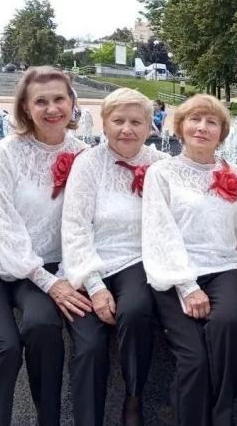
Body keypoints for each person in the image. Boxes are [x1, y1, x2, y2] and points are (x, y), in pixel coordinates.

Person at [0, 66, 93, 426]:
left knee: (43, 328)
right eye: (41, 101)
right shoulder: (5, 152)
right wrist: (51, 284)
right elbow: (4, 224)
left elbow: (83, 222)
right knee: (4, 346)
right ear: (26, 108)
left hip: (39, 266)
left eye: (59, 99)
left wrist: (66, 274)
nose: (52, 108)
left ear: (72, 102)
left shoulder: (84, 155)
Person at [61, 88, 169, 426]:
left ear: (150, 127)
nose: (127, 129)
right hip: (87, 261)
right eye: (118, 121)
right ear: (104, 124)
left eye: (136, 122)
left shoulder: (160, 165)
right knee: (90, 345)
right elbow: (75, 226)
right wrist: (94, 286)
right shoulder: (88, 163)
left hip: (136, 260)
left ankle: (133, 400)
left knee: (135, 312)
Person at [141, 94, 237, 426]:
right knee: (195, 359)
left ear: (222, 132)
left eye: (211, 122)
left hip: (224, 268)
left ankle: (222, 415)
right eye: (194, 119)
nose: (202, 127)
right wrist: (187, 286)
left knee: (230, 326)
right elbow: (160, 230)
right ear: (180, 127)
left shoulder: (234, 172)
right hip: (174, 272)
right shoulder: (161, 173)